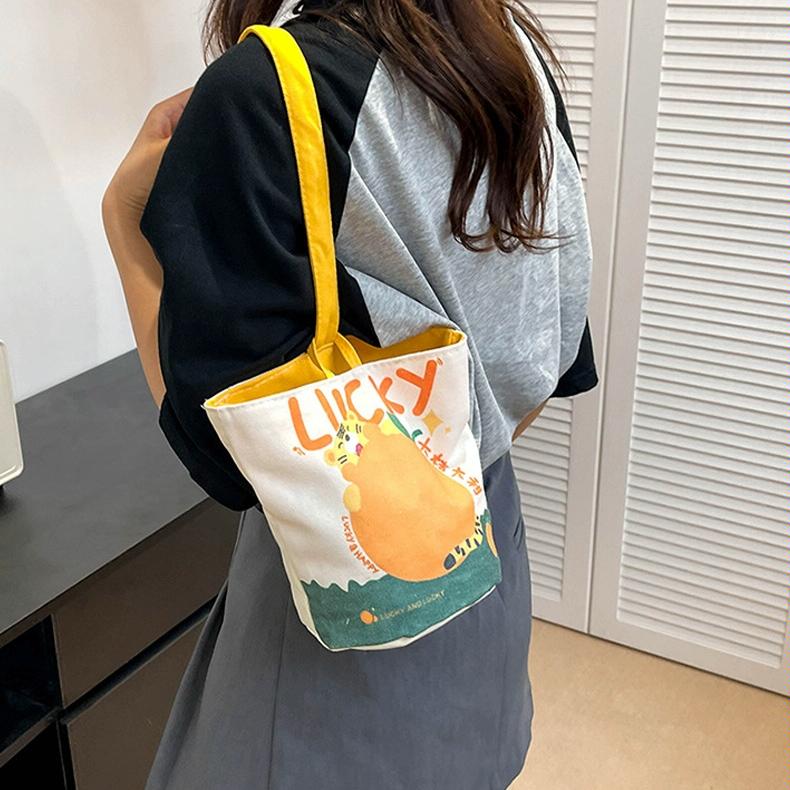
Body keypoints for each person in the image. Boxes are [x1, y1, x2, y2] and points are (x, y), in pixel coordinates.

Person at [101, 1, 598, 787]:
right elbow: (557, 355)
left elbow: (226, 456)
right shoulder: (509, 58)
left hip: (339, 610)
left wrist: (125, 225)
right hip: (485, 550)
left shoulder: (265, 90)